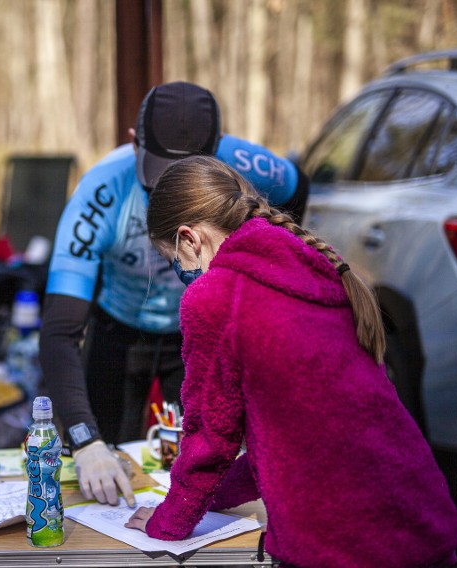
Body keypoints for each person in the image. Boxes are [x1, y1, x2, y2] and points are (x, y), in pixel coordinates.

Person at [124, 155, 457, 566]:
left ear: (190, 239)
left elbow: (210, 440)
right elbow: (292, 435)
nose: (181, 274)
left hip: (343, 544)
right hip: (420, 518)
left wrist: (167, 523)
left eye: (174, 262)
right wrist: (216, 497)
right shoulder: (314, 267)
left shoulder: (214, 297)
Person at [39, 81, 308, 507]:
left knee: (203, 472)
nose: (169, 199)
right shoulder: (100, 193)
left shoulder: (246, 162)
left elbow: (298, 187)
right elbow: (59, 329)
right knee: (107, 476)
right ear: (132, 144)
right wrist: (85, 441)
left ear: (221, 150)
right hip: (120, 326)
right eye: (157, 181)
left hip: (196, 329)